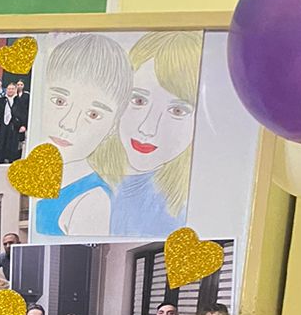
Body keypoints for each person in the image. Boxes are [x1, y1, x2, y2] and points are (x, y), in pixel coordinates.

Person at [92, 30, 201, 237]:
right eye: (139, 100)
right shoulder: (78, 172)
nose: (148, 128)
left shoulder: (184, 211)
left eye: (177, 111)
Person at [32, 35, 132, 236]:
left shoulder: (91, 199)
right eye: (59, 101)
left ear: (113, 127)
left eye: (93, 114)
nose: (68, 124)